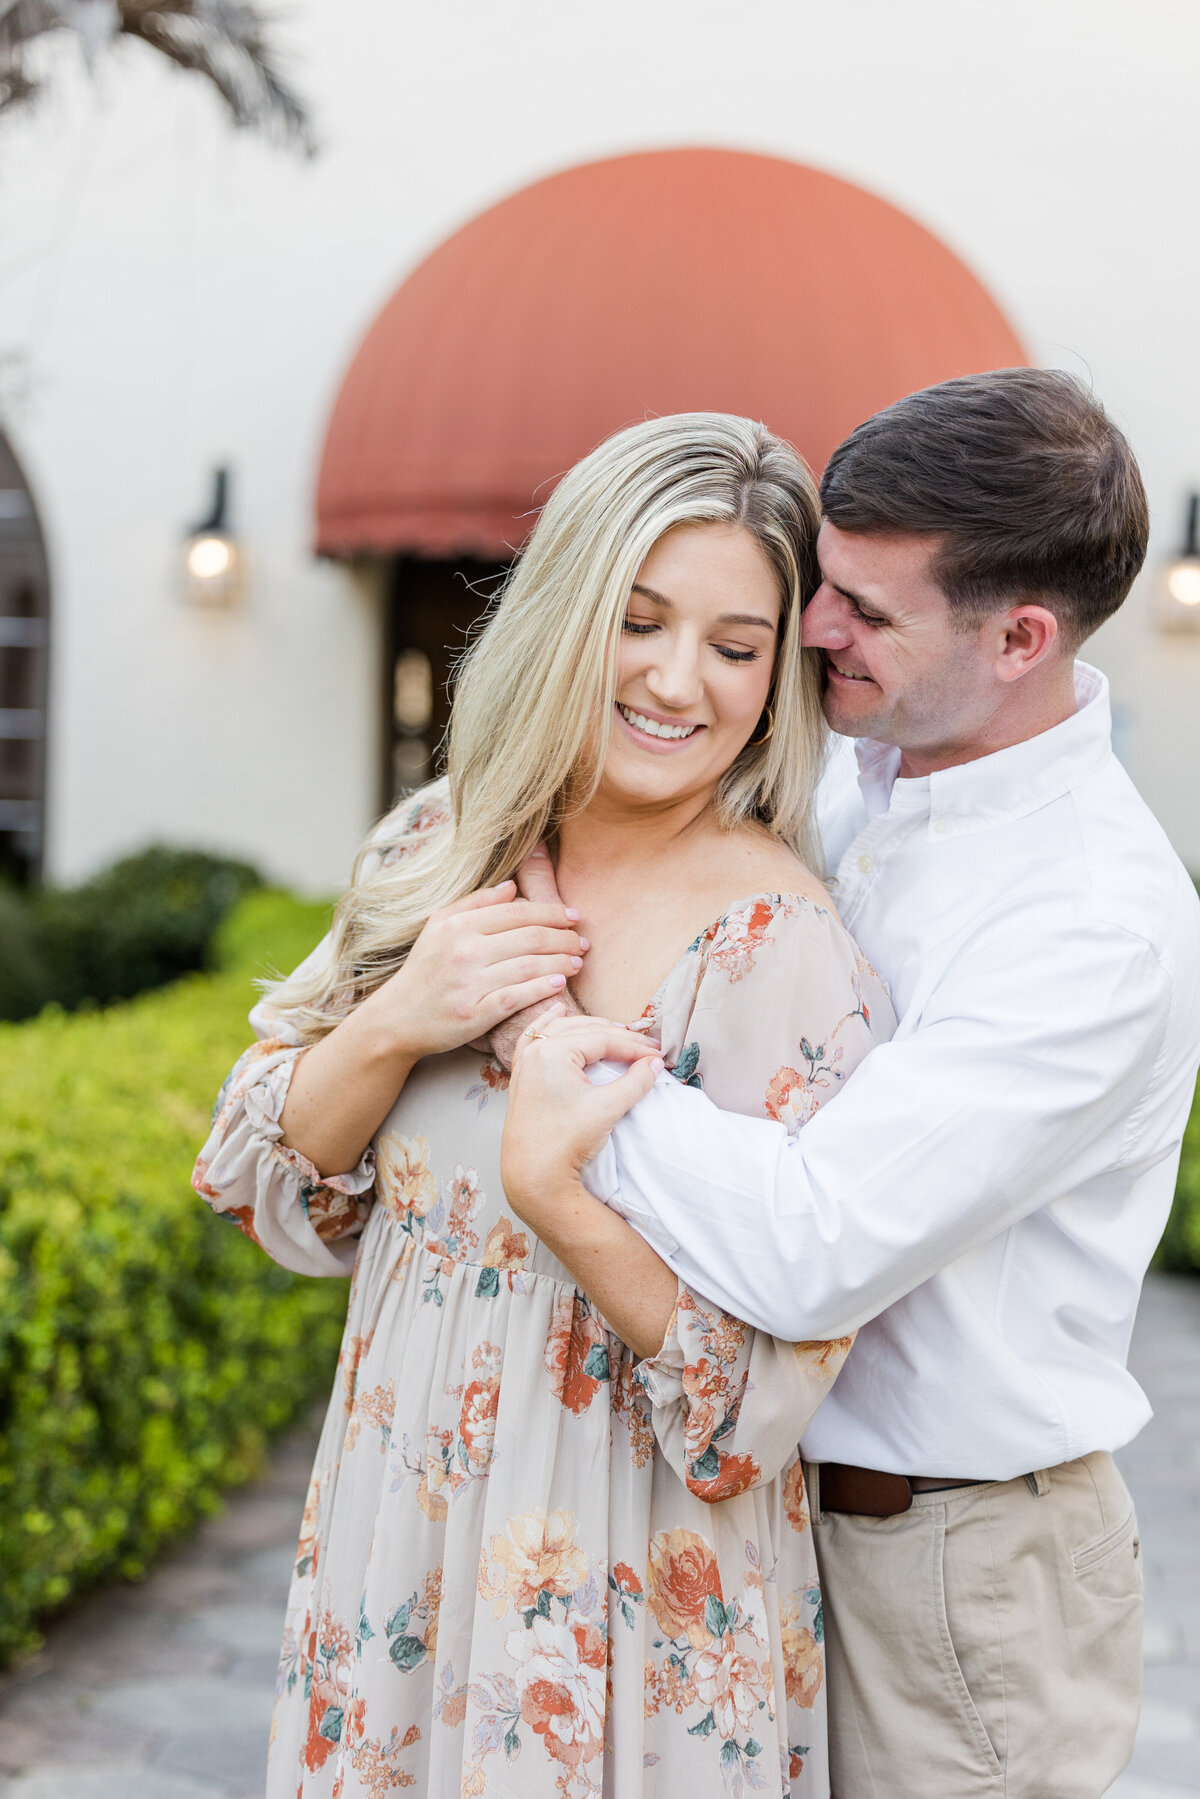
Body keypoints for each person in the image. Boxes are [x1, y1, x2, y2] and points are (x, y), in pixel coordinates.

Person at [499, 370, 1200, 1799]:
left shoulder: (1090, 921)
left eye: (869, 612)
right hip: (759, 1523)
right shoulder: (852, 773)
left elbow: (815, 1244)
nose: (814, 630)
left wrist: (554, 1054)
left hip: (951, 1584)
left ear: (1020, 638)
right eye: (825, 583)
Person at [192, 412, 896, 1799]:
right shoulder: (440, 844)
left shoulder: (782, 943)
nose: (677, 681)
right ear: (570, 612)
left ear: (778, 675)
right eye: (638, 620)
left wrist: (560, 1200)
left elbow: (762, 1406)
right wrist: (404, 1016)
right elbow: (259, 1182)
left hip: (630, 1602)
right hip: (400, 1547)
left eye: (736, 646)